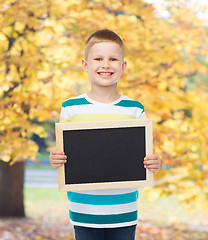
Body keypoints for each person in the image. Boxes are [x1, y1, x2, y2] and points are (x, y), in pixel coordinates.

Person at [49, 29, 161, 240]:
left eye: (113, 59)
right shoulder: (71, 107)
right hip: (83, 210)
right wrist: (55, 158)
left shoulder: (135, 109)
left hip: (124, 209)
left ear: (123, 66)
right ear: (85, 65)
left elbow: (146, 156)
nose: (106, 64)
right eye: (98, 58)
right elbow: (62, 154)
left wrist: (154, 162)